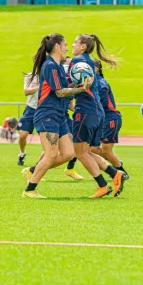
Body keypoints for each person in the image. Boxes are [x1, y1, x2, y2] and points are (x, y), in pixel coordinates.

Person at [22, 33, 92, 199]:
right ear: (57, 47)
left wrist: (78, 83)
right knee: (51, 154)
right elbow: (59, 92)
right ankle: (30, 189)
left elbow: (64, 87)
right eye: (65, 44)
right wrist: (82, 89)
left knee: (68, 154)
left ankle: (32, 171)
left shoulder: (58, 66)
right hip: (48, 114)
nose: (68, 47)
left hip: (59, 116)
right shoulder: (50, 66)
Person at [68, 34, 125, 198]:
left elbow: (75, 84)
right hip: (97, 112)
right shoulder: (89, 62)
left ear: (83, 46)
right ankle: (116, 174)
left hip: (85, 111)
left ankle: (103, 185)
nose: (72, 46)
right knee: (88, 151)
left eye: (74, 43)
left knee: (79, 152)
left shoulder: (77, 61)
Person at [89, 59, 129, 176]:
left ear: (95, 69)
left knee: (105, 150)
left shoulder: (100, 84)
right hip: (102, 119)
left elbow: (103, 103)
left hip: (110, 119)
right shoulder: (94, 83)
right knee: (92, 149)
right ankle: (115, 164)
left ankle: (121, 172)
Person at [61, 56, 82, 180]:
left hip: (65, 116)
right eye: (69, 65)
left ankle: (69, 168)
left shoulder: (72, 82)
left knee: (77, 141)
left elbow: (69, 105)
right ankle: (33, 170)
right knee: (52, 151)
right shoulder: (61, 82)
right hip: (57, 117)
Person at [17, 72, 39, 166]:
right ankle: (22, 153)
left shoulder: (50, 73)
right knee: (22, 135)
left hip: (44, 109)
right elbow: (26, 92)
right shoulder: (30, 76)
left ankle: (45, 160)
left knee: (46, 137)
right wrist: (40, 86)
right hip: (31, 109)